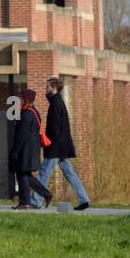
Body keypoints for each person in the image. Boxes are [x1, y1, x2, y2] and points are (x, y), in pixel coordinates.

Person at [32, 76, 90, 211]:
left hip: (55, 147)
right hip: (62, 147)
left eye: (47, 87)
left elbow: (55, 128)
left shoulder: (55, 104)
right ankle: (84, 199)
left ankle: (36, 201)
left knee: (43, 173)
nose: (45, 89)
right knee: (70, 174)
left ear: (53, 88)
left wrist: (48, 144)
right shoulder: (58, 102)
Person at [11, 88, 54, 209]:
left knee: (22, 175)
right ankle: (46, 194)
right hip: (31, 149)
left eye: (20, 99)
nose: (18, 101)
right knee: (26, 175)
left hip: (25, 150)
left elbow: (21, 135)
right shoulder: (34, 112)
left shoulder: (26, 114)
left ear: (26, 100)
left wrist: (15, 150)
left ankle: (25, 203)